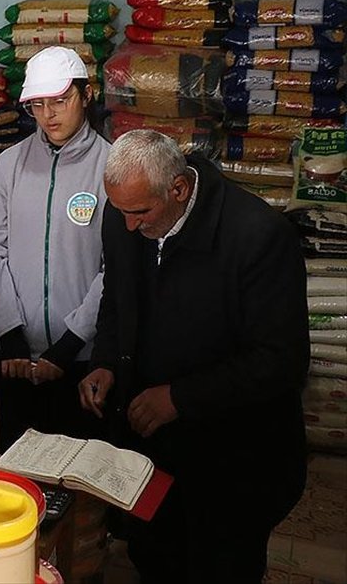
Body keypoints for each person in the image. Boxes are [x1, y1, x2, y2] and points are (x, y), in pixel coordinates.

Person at [79, 130, 308, 583]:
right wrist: (105, 358)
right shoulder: (126, 213)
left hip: (234, 459)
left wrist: (179, 398)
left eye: (140, 213)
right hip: (153, 450)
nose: (128, 226)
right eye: (121, 211)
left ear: (179, 189)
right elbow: (117, 295)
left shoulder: (257, 236)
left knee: (218, 566)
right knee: (156, 557)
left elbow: (280, 359)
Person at [0, 46, 110, 449]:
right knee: (20, 460)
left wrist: (70, 344)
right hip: (13, 355)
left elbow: (114, 267)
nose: (49, 114)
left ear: (86, 95)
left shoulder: (110, 166)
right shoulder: (9, 164)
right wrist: (11, 332)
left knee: (76, 465)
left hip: (79, 357)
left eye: (60, 100)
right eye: (38, 104)